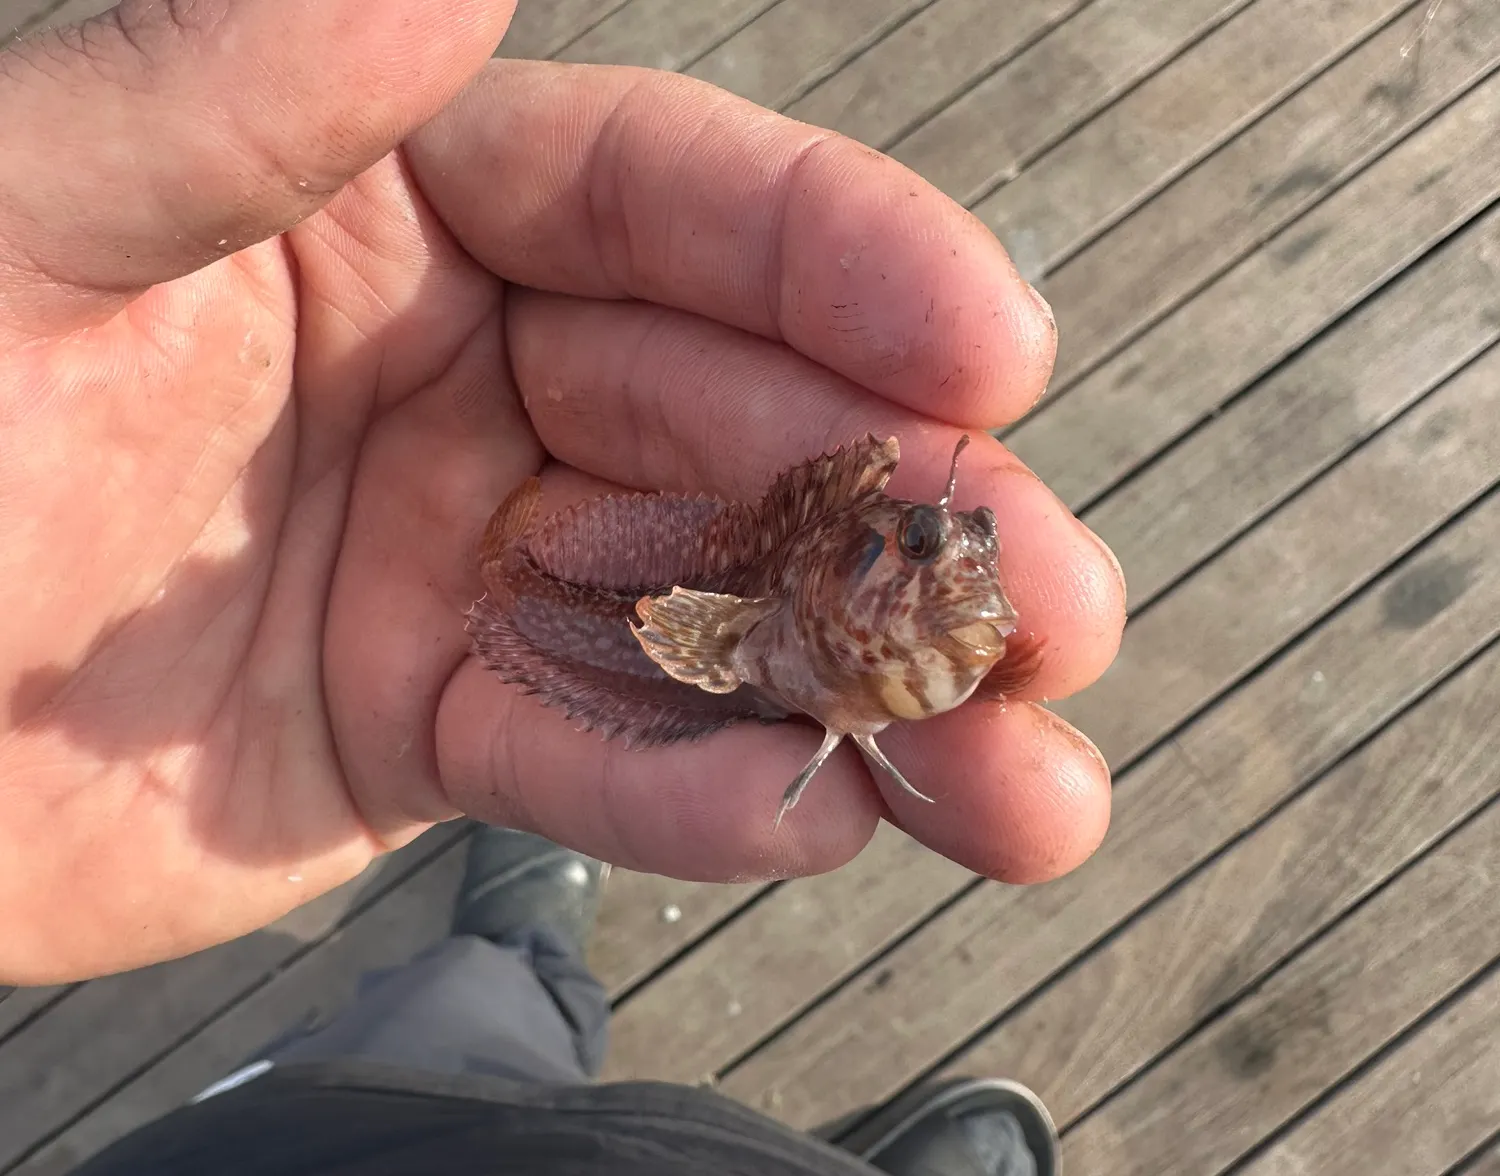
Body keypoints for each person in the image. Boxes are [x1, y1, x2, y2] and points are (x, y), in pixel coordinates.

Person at [0, 0, 1125, 1172]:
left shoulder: (876, 609)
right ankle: (524, 959)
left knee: (435, 1047)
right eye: (930, 546)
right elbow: (729, 616)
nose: (960, 583)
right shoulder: (806, 582)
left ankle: (512, 955)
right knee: (497, 1038)